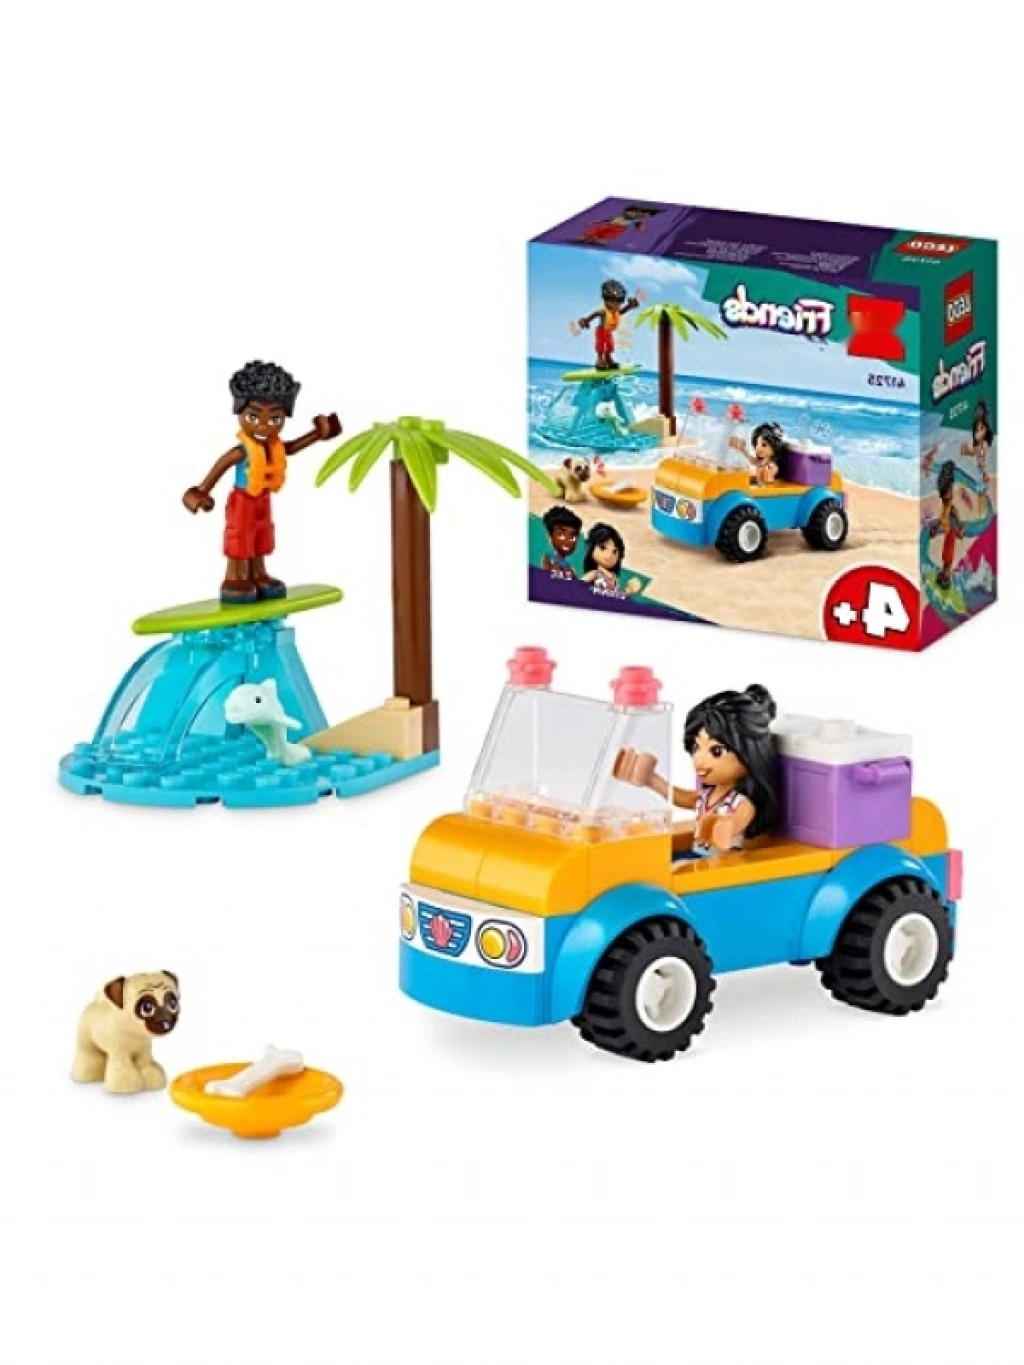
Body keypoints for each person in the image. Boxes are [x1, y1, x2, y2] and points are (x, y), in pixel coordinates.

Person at [183, 361, 341, 603]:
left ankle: (258, 573)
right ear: (240, 412)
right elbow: (222, 465)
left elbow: (291, 448)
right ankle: (235, 576)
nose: (264, 425)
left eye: (275, 418)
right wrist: (202, 490)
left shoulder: (273, 446)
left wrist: (318, 435)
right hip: (242, 501)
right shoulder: (242, 451)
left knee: (261, 536)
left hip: (263, 500)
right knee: (240, 537)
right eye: (253, 416)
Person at [615, 684, 779, 857]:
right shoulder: (707, 795)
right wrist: (651, 779)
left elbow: (734, 823)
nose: (698, 760)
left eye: (716, 751)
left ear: (749, 755)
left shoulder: (740, 804)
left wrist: (723, 827)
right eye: (696, 748)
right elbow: (679, 797)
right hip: (700, 857)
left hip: (725, 863)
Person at [575, 280, 641, 370]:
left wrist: (630, 306)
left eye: (618, 303)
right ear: (606, 300)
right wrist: (586, 321)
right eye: (613, 302)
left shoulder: (616, 310)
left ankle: (608, 359)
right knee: (601, 345)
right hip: (601, 331)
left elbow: (621, 312)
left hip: (609, 331)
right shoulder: (603, 311)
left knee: (610, 345)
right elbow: (594, 314)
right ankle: (599, 360)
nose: (616, 305)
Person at [580, 522, 641, 598]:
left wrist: (629, 591)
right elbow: (578, 586)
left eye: (614, 552)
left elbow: (617, 595)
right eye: (603, 548)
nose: (609, 555)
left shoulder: (614, 577)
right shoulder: (595, 574)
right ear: (591, 547)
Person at [730, 421, 784, 486]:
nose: (758, 448)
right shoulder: (763, 462)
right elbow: (754, 461)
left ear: (775, 447)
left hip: (765, 488)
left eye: (764, 445)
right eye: (756, 444)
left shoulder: (772, 466)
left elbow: (768, 481)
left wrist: (764, 474)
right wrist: (743, 450)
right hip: (759, 485)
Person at [540, 505, 584, 579]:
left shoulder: (569, 567)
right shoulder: (548, 559)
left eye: (573, 537)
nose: (567, 541)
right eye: (561, 535)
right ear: (550, 536)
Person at [961, 399, 993, 488]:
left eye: (981, 429)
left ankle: (982, 407)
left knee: (980, 487)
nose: (977, 433)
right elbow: (975, 454)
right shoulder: (980, 445)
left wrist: (985, 473)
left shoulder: (983, 445)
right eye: (976, 431)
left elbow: (980, 457)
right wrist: (966, 450)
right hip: (980, 470)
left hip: (981, 470)